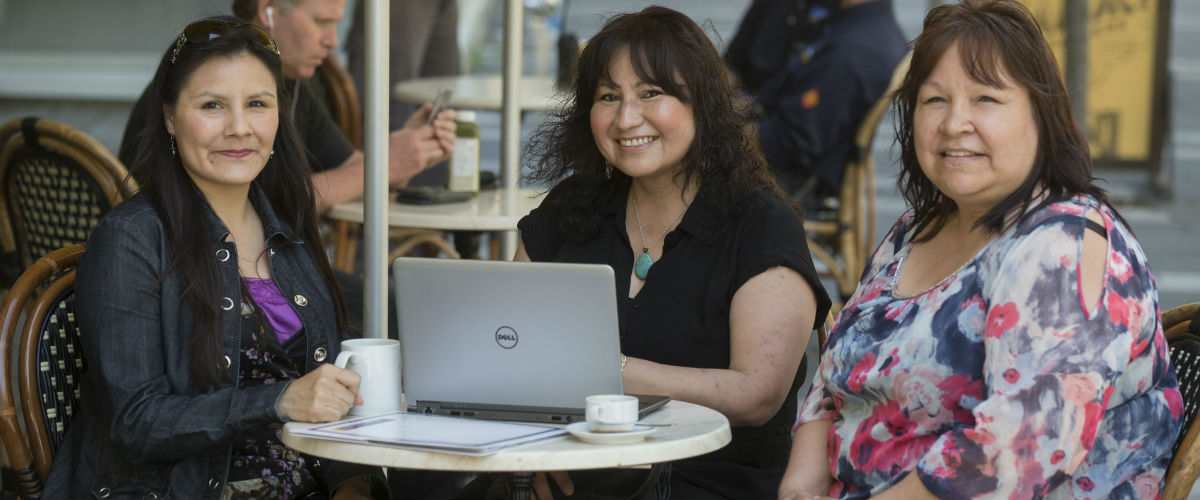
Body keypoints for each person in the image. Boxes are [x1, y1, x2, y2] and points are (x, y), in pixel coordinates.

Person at [778, 1, 1182, 498]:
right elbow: (835, 377)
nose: (954, 123)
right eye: (934, 100)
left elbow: (1015, 456)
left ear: (1041, 115)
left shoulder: (1061, 245)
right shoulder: (915, 229)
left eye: (986, 99)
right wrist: (799, 483)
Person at [45, 17, 387, 499]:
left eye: (257, 104)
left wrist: (354, 483)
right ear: (168, 116)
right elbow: (136, 422)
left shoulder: (286, 232)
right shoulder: (130, 240)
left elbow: (326, 398)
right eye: (212, 106)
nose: (240, 128)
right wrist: (280, 400)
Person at [515, 6, 832, 498]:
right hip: (572, 474)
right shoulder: (569, 212)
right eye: (607, 96)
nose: (626, 118)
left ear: (702, 104)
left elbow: (756, 395)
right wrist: (530, 451)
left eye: (651, 93)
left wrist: (607, 371)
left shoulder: (762, 225)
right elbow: (509, 348)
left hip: (706, 483)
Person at [119, 0, 458, 212]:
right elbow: (270, 205)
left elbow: (349, 168)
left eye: (257, 104)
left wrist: (409, 152)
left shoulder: (295, 79)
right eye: (322, 21)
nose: (334, 40)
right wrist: (383, 166)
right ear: (268, 10)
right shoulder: (215, 66)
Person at [746, 0, 906, 201]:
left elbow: (782, 141)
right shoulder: (860, 24)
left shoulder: (854, 51)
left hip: (784, 183)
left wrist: (711, 133)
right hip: (775, 156)